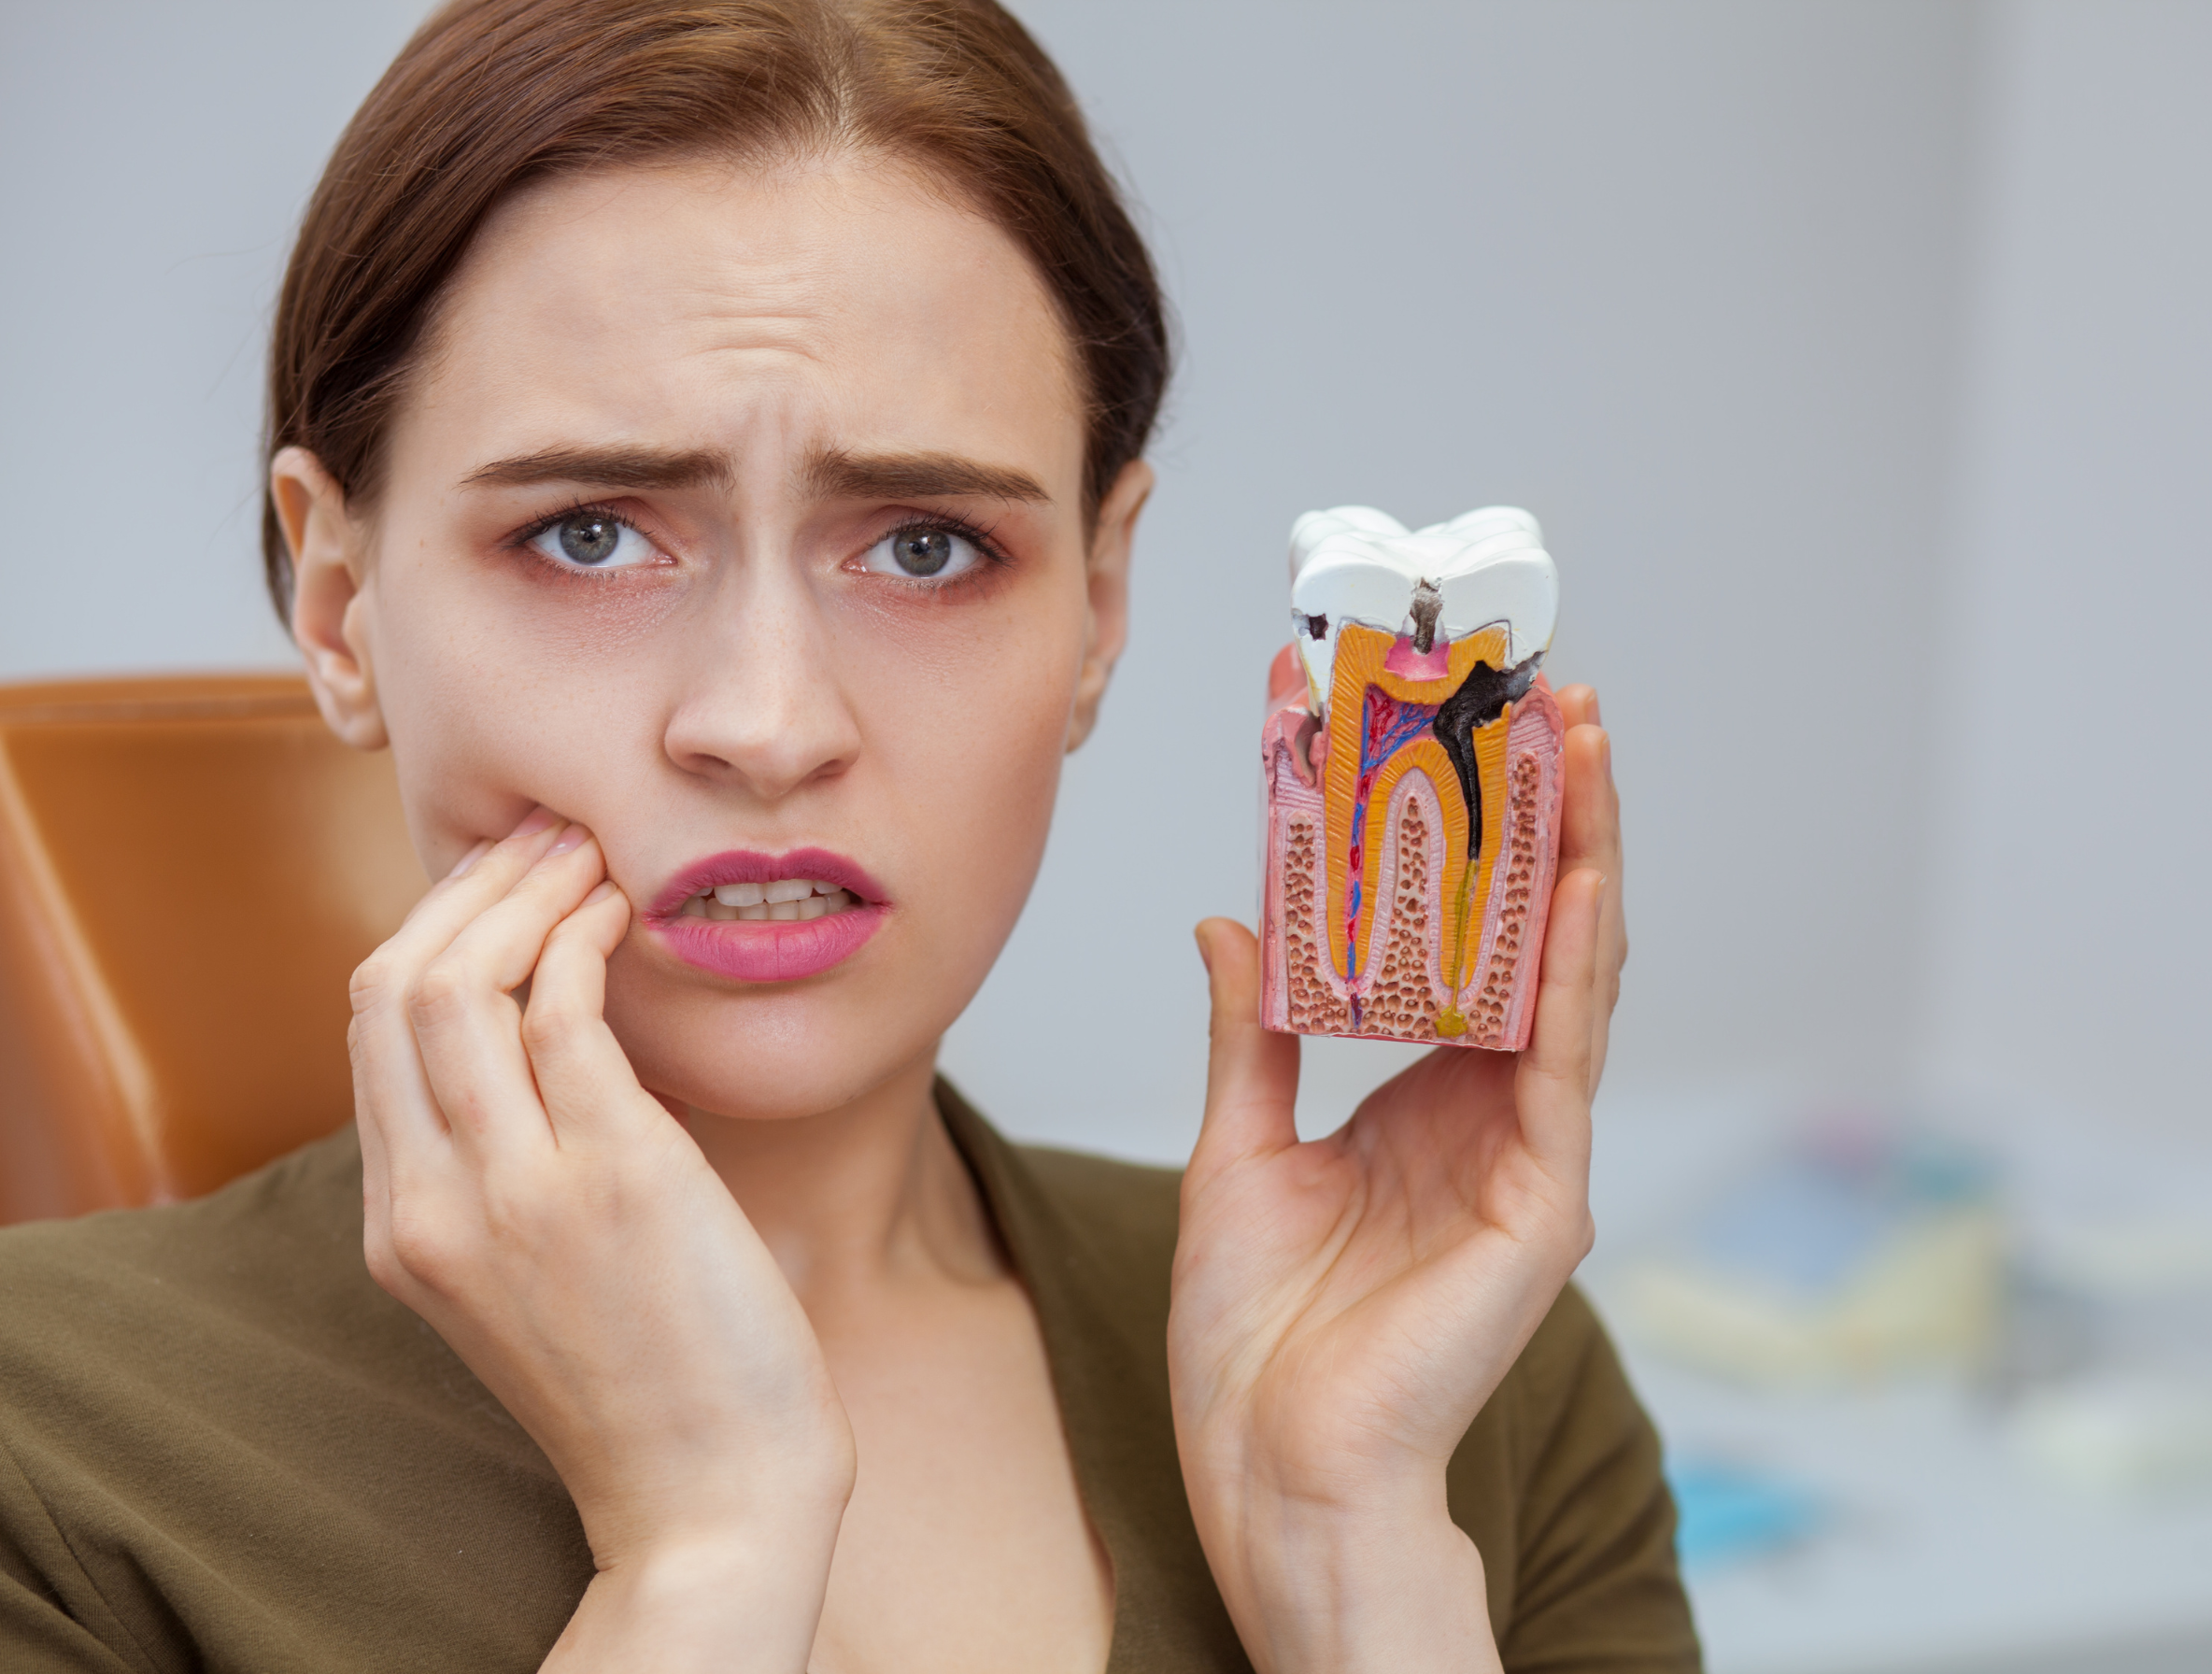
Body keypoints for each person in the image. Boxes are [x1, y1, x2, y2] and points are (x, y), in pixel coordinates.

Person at [0, 2, 1695, 1669]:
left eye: (927, 548)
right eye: (589, 535)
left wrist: (1357, 1563)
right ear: (340, 599)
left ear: (1100, 607)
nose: (769, 721)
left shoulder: (1460, 1385)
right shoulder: (46, 1451)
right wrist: (705, 1558)